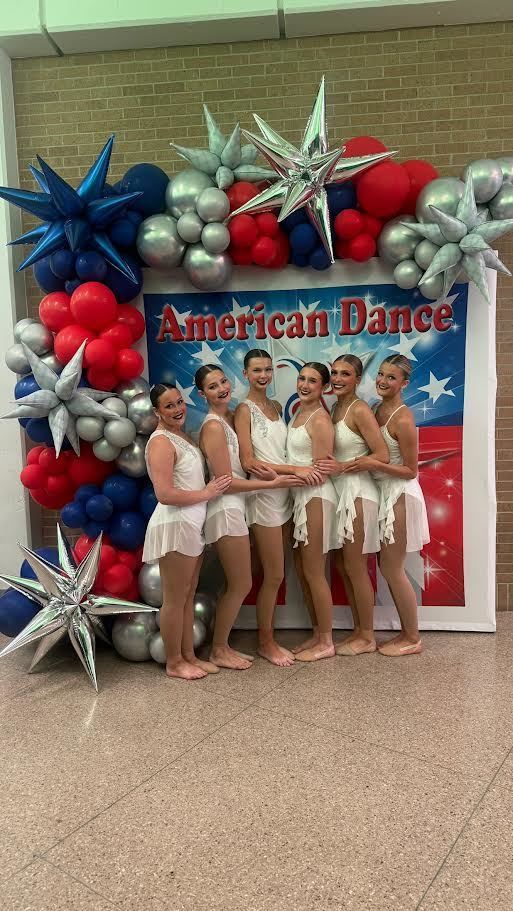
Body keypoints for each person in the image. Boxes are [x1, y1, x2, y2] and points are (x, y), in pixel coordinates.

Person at [195, 364, 302, 671]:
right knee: (240, 583)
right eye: (213, 386)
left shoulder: (228, 419)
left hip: (240, 507)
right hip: (227, 508)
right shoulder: (214, 425)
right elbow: (226, 480)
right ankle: (219, 649)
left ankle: (224, 645)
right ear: (202, 394)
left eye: (222, 381)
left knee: (244, 580)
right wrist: (273, 482)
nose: (221, 388)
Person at [143, 383, 231, 680]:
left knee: (187, 594)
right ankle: (174, 662)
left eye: (179, 402)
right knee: (175, 597)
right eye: (169, 406)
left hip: (191, 524)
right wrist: (206, 493)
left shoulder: (181, 437)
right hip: (175, 524)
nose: (178, 409)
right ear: (157, 411)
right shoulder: (160, 442)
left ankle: (189, 655)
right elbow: (165, 494)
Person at [345, 355, 429, 656]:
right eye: (380, 374)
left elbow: (411, 470)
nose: (382, 380)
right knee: (387, 566)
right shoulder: (378, 409)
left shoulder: (403, 419)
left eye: (391, 377)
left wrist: (369, 462)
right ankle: (406, 634)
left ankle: (412, 638)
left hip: (400, 493)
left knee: (392, 567)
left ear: (404, 383)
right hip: (382, 492)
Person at [316, 354, 389, 656]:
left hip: (359, 493)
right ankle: (360, 630)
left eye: (345, 374)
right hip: (341, 493)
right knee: (345, 566)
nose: (337, 379)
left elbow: (382, 454)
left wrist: (343, 467)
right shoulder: (335, 407)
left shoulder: (359, 410)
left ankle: (368, 636)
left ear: (358, 379)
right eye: (334, 373)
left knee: (356, 566)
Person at [234, 349, 295, 667]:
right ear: (245, 373)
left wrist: (290, 474)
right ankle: (265, 642)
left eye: (268, 369)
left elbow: (280, 450)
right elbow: (249, 461)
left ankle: (265, 635)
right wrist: (294, 472)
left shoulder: (275, 406)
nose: (263, 375)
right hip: (264, 496)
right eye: (256, 370)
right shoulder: (243, 410)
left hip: (284, 495)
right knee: (274, 574)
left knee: (274, 572)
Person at [285, 362, 338, 662]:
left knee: (315, 572)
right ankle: (318, 633)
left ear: (324, 388)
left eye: (313, 381)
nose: (304, 385)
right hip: (299, 498)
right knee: (305, 572)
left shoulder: (319, 420)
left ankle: (327, 641)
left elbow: (320, 472)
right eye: (301, 378)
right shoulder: (297, 414)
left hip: (316, 498)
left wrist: (280, 474)